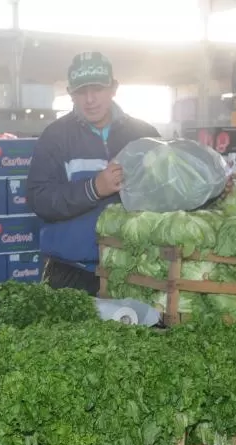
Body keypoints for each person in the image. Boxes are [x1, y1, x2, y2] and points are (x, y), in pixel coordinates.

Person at [26, 52, 160, 295]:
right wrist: (94, 188)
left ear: (113, 88)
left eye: (97, 89)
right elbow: (39, 199)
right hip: (70, 273)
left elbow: (169, 190)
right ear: (70, 93)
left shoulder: (144, 134)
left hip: (134, 270)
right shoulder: (55, 136)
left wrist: (213, 188)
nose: (90, 99)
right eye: (80, 91)